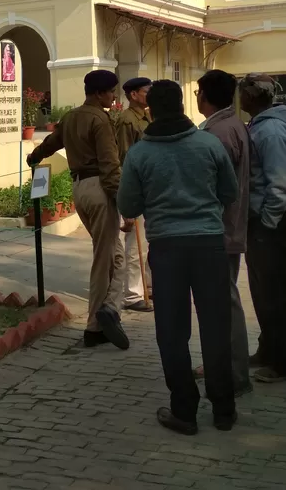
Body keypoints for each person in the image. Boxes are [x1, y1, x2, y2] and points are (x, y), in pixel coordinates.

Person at [117, 80, 239, 434]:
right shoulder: (208, 143)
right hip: (209, 245)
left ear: (151, 110)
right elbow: (230, 192)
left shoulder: (140, 154)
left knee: (172, 332)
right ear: (184, 104)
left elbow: (128, 205)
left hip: (167, 248)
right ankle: (224, 410)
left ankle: (184, 411)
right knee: (216, 327)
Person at [27, 69, 130, 350]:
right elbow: (110, 164)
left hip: (79, 189)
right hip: (99, 187)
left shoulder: (72, 116)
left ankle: (109, 311)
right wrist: (124, 202)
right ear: (98, 93)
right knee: (104, 259)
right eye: (110, 91)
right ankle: (98, 322)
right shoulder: (100, 119)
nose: (113, 96)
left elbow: (50, 143)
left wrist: (34, 157)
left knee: (115, 256)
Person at [193, 69, 253, 397]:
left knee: (224, 304)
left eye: (199, 91)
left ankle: (234, 374)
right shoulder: (231, 125)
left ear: (206, 95)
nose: (196, 97)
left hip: (219, 230)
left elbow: (214, 188)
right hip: (228, 226)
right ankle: (224, 364)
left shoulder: (219, 132)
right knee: (220, 302)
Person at [239, 73, 286, 384]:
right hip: (263, 217)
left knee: (275, 291)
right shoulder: (260, 125)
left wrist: (266, 222)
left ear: (254, 97)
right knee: (263, 290)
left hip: (272, 219)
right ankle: (269, 349)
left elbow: (279, 185)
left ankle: (285, 360)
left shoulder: (271, 131)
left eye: (243, 93)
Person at [114, 77, 153, 313]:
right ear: (133, 95)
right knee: (134, 245)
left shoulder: (147, 116)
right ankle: (132, 294)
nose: (149, 94)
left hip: (149, 188)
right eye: (146, 91)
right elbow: (125, 160)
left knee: (147, 245)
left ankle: (145, 286)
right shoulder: (127, 120)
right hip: (135, 189)